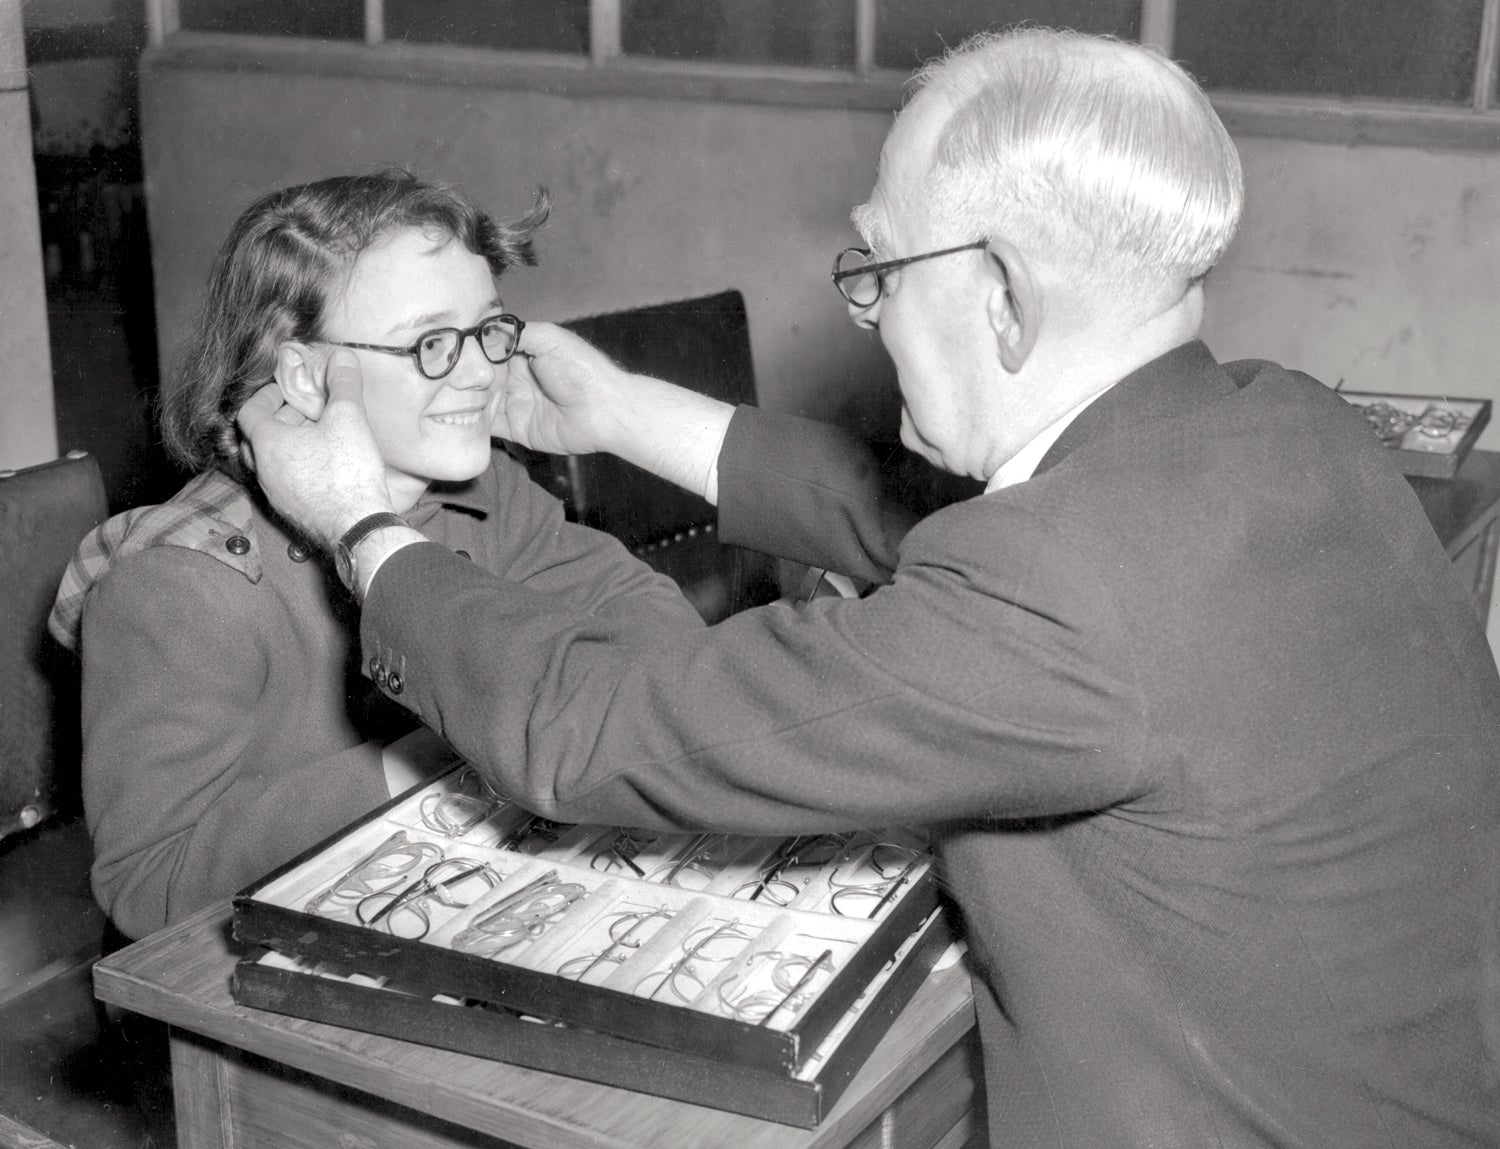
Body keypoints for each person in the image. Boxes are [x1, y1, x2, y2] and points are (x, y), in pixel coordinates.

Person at [239, 29, 1500, 1149]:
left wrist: (360, 528)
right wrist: (625, 414)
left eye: (880, 270)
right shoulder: (1287, 422)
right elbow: (939, 526)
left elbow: (592, 732)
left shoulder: (1063, 602)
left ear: (1002, 296)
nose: (867, 315)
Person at [48, 170, 703, 942]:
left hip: (448, 906)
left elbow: (657, 629)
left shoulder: (483, 489)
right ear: (303, 373)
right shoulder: (180, 583)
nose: (481, 370)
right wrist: (439, 759)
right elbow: (147, 880)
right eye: (430, 343)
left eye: (488, 330)